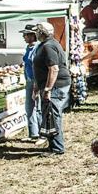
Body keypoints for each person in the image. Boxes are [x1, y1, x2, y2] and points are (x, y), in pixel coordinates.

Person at [33, 22, 71, 155]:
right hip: (50, 85)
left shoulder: (49, 46)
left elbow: (54, 68)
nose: (35, 34)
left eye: (37, 31)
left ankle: (57, 148)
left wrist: (48, 89)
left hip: (56, 86)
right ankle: (53, 145)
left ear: (42, 33)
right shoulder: (46, 45)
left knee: (53, 115)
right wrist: (37, 87)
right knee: (49, 114)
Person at [21, 26, 42, 140]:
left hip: (36, 80)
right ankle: (33, 133)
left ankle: (41, 133)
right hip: (29, 80)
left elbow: (36, 66)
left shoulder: (37, 48)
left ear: (33, 36)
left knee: (38, 107)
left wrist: (36, 84)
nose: (24, 37)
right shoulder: (28, 48)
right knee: (29, 107)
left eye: (26, 35)